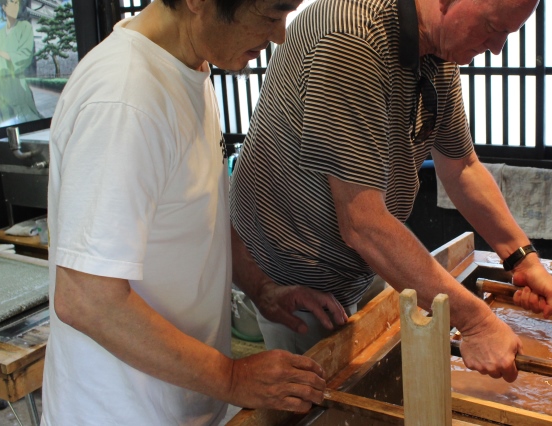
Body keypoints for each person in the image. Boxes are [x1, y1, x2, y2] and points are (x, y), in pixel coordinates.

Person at [42, 0, 342, 424]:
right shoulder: (124, 98)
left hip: (183, 402)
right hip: (123, 413)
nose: (280, 35)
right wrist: (232, 378)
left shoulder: (189, 67)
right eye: (271, 15)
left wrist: (261, 287)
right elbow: (86, 299)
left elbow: (201, 213)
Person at [230, 0, 552, 383]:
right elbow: (362, 224)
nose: (498, 48)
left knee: (391, 375)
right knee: (325, 400)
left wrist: (522, 258)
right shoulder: (352, 37)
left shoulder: (436, 50)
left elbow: (461, 167)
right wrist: (475, 322)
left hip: (361, 260)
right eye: (493, 27)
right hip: (295, 276)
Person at [0, 0, 42, 127]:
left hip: (17, 87)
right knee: (6, 127)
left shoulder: (25, 27)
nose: (16, 6)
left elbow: (25, 55)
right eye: (12, 3)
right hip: (1, 92)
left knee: (28, 124)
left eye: (17, 3)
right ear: (4, 7)